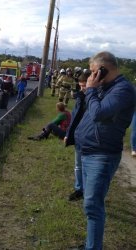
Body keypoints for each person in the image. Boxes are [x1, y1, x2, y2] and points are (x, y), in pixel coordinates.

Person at [74, 51, 136, 250]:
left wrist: (91, 90)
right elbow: (88, 111)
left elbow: (99, 113)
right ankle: (89, 245)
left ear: (103, 69)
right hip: (88, 151)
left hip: (102, 154)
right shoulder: (104, 87)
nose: (91, 76)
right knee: (89, 204)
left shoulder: (123, 90)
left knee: (93, 206)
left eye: (93, 71)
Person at [64, 72, 89, 201]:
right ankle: (79, 189)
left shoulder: (97, 98)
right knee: (78, 165)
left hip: (90, 139)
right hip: (78, 137)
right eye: (80, 86)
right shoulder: (80, 97)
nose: (82, 89)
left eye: (84, 85)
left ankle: (88, 192)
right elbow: (74, 118)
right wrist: (68, 134)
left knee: (87, 168)